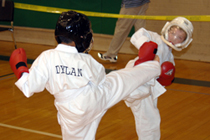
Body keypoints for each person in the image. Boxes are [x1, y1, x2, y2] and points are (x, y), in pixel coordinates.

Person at [9, 10, 161, 140]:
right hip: (92, 101)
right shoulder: (85, 60)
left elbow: (29, 87)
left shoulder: (47, 57)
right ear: (82, 38)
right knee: (120, 81)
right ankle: (153, 67)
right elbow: (101, 78)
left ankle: (142, 87)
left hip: (69, 113)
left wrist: (20, 66)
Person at [123, 17, 194, 139]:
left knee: (151, 119)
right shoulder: (155, 38)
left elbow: (162, 81)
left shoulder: (170, 59)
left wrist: (164, 80)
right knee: (149, 120)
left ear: (185, 42)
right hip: (134, 79)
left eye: (179, 37)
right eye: (172, 33)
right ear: (166, 29)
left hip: (146, 89)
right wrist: (145, 45)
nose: (173, 38)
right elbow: (137, 35)